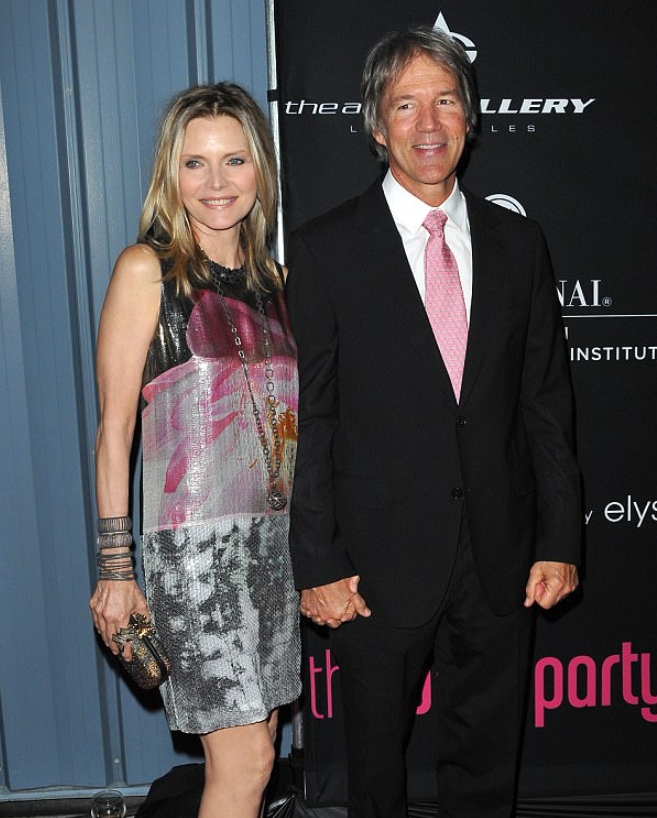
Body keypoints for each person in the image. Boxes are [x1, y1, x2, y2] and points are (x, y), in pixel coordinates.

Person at [286, 26, 581, 818]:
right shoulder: (324, 250)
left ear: (469, 117)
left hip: (498, 550)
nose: (427, 124)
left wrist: (557, 539)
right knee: (375, 768)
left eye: (445, 101)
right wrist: (316, 561)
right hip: (372, 564)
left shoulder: (518, 243)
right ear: (376, 125)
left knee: (486, 760)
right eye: (405, 105)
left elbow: (544, 404)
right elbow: (311, 416)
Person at [89, 82, 300, 818]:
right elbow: (114, 430)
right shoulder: (145, 271)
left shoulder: (276, 283)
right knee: (247, 764)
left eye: (234, 160)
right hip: (196, 559)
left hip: (274, 551)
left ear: (259, 170)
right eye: (195, 163)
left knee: (259, 751)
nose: (217, 182)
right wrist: (116, 570)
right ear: (170, 175)